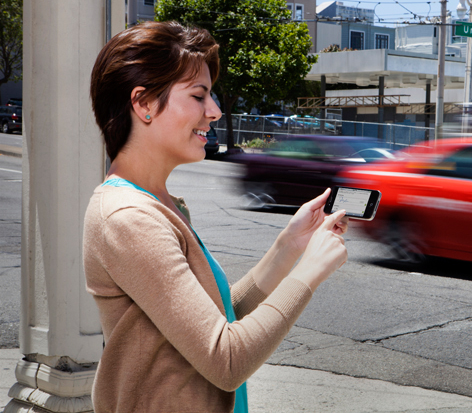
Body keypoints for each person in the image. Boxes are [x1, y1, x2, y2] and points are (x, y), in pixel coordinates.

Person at [84, 21, 348, 413]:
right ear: (143, 104)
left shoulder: (159, 204)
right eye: (198, 95)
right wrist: (308, 272)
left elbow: (217, 317)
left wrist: (288, 247)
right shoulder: (128, 218)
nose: (215, 111)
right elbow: (226, 360)